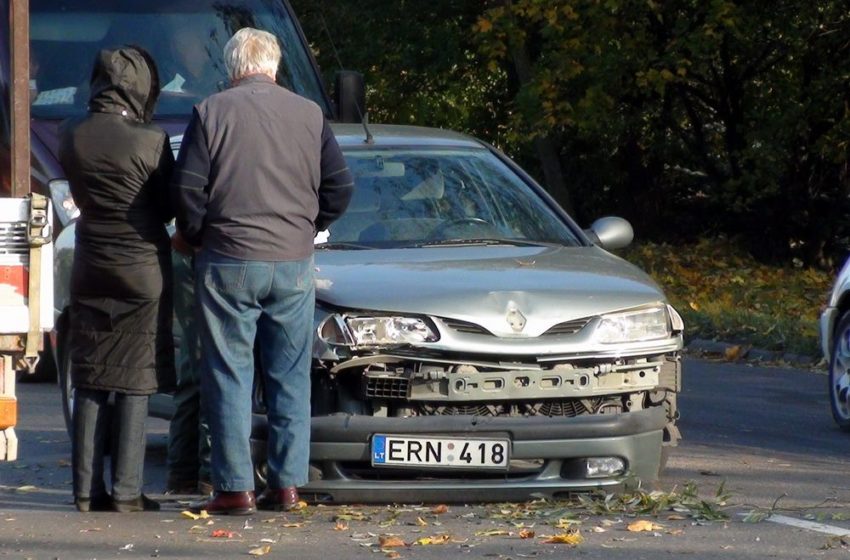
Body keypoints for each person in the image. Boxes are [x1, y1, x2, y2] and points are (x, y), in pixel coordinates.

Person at [172, 27, 353, 515]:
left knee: (228, 373)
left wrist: (197, 235)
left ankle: (234, 489)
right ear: (274, 66)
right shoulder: (310, 114)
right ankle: (287, 486)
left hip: (228, 259)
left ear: (232, 67)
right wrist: (308, 225)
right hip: (293, 264)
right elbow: (340, 187)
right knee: (289, 376)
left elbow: (187, 192)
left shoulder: (210, 112)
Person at [58, 46, 175, 513]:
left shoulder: (70, 133)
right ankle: (127, 492)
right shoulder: (150, 139)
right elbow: (167, 205)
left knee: (89, 375)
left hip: (90, 263)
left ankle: (87, 492)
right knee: (134, 379)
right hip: (141, 267)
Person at [164, 239, 211, 496]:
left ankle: (183, 473)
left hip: (193, 249)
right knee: (208, 369)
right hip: (204, 252)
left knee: (195, 367)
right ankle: (209, 473)